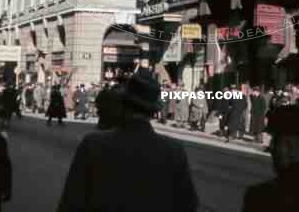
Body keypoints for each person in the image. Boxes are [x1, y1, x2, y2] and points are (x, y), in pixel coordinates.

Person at [57, 70, 198, 212]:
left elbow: (71, 203)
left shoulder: (93, 144)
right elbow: (188, 205)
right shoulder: (174, 151)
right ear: (153, 111)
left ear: (122, 104)